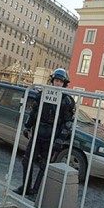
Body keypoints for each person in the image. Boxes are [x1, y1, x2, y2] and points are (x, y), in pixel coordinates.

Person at [14, 68, 75, 197]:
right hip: (37, 133)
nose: (58, 83)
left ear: (64, 83)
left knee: (44, 165)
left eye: (60, 81)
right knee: (27, 160)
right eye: (56, 81)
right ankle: (25, 187)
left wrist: (60, 139)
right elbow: (34, 112)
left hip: (52, 136)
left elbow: (68, 122)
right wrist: (27, 126)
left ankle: (36, 191)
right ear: (52, 81)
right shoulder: (43, 94)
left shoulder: (67, 100)